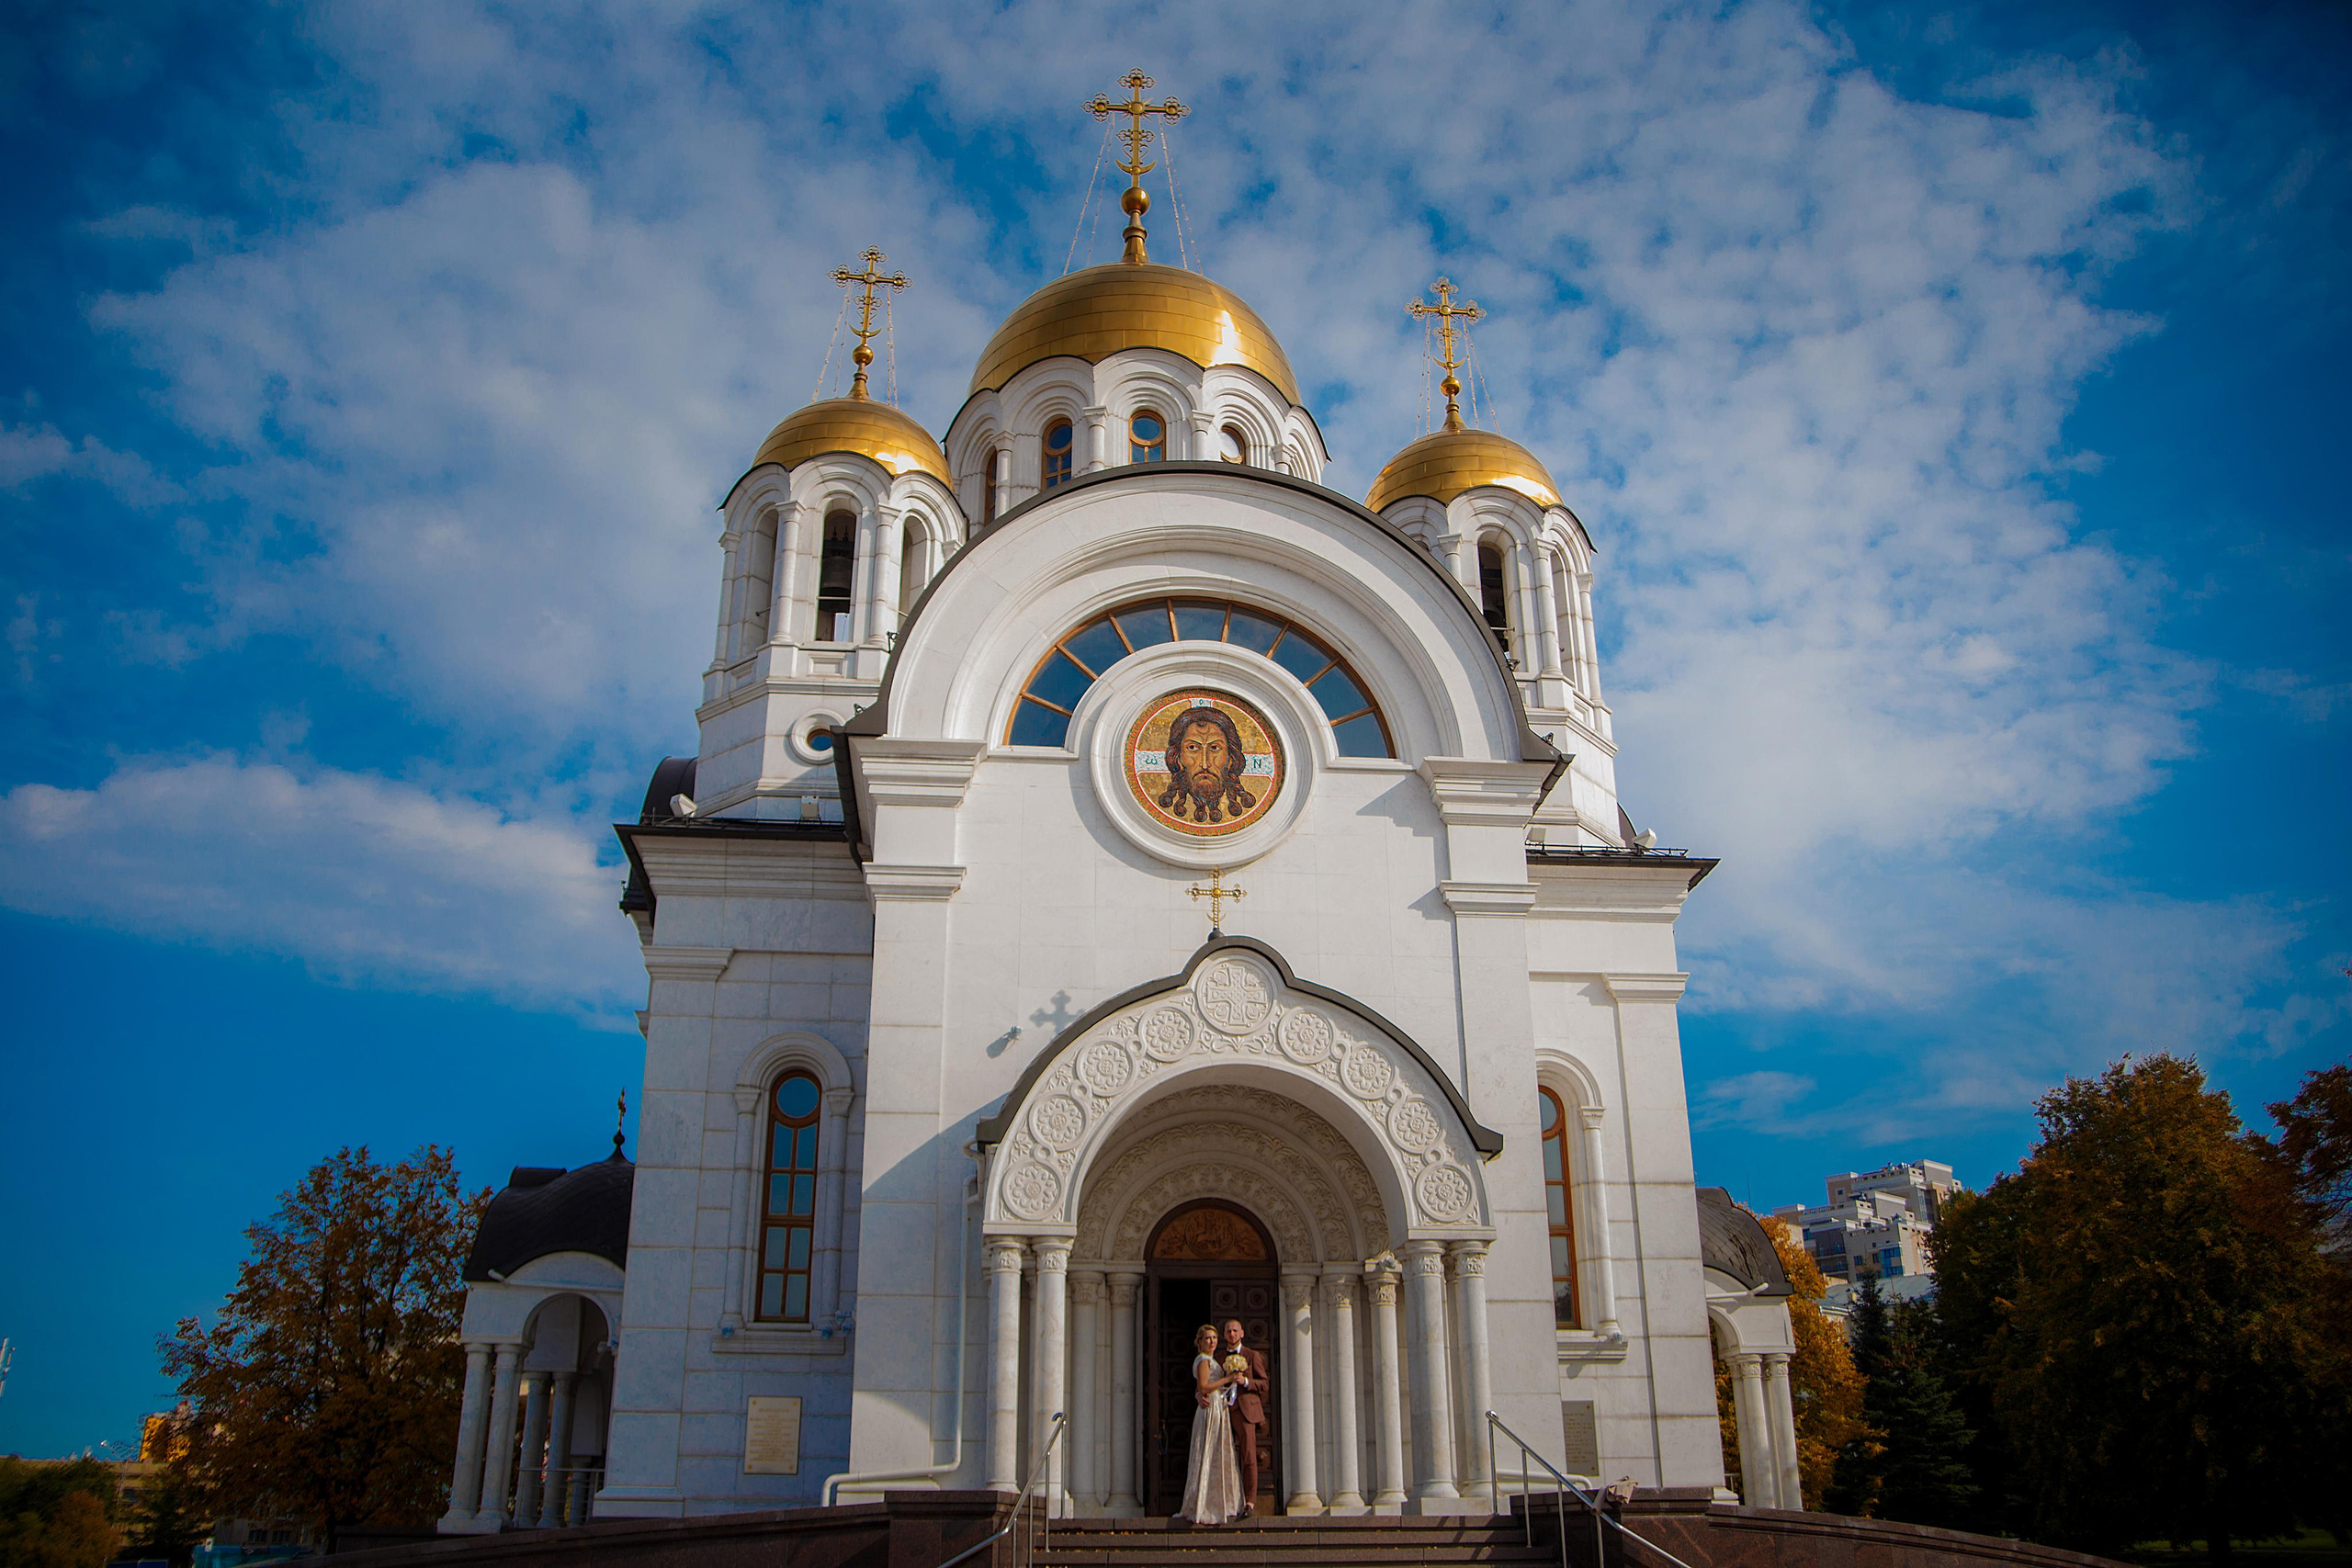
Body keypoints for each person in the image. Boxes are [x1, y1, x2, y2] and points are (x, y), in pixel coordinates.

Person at [1176, 1324, 1247, 1525]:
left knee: (1218, 1453)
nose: (1212, 1342)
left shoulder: (1211, 1359)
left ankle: (1219, 1503)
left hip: (1218, 1406)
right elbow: (1204, 1387)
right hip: (1211, 1407)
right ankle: (1204, 1505)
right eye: (1208, 1338)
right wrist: (1227, 1379)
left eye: (1214, 1338)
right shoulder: (1203, 1360)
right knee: (1208, 1450)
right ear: (1199, 1341)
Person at [1219, 1317, 1271, 1517]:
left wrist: (1246, 1382)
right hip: (1224, 1410)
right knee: (1224, 1455)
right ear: (1224, 1335)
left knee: (1249, 1456)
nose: (1231, 1334)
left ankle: (1250, 1502)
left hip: (1245, 1411)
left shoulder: (1252, 1355)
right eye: (1228, 1331)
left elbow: (1264, 1383)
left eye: (1235, 1331)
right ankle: (1228, 1500)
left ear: (1242, 1333)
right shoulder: (1220, 1357)